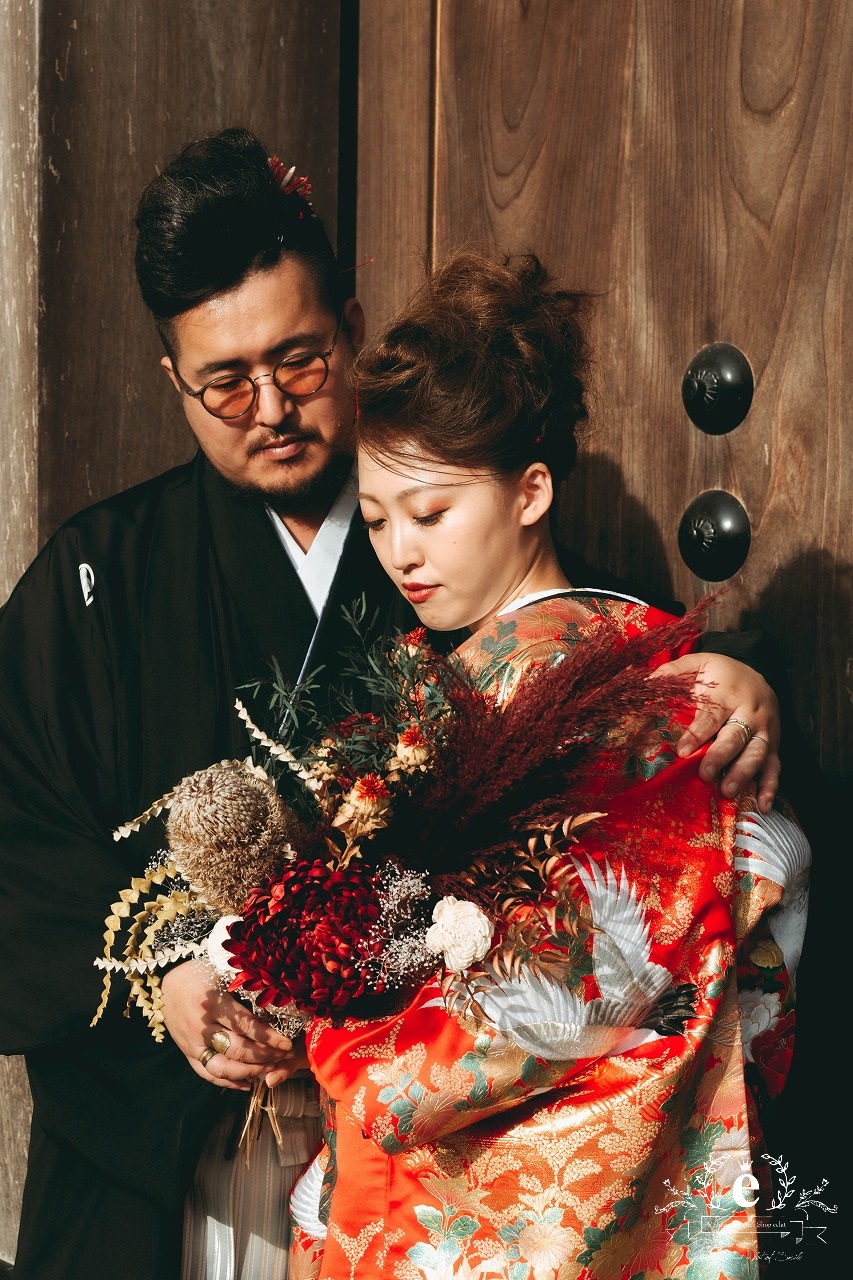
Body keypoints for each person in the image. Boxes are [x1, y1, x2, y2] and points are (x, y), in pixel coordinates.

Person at [0, 129, 782, 1280]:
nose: (266, 405)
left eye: (301, 362)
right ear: (173, 379)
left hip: (420, 1168)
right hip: (152, 1159)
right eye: (223, 381)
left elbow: (614, 730)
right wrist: (168, 973)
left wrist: (739, 684)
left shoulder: (451, 541)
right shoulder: (99, 576)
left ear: (353, 330)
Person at [287, 249, 809, 1278]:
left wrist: (343, 1047)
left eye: (430, 512)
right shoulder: (449, 690)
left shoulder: (637, 696)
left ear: (530, 490)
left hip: (508, 1199)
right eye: (380, 517)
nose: (401, 552)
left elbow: (589, 967)